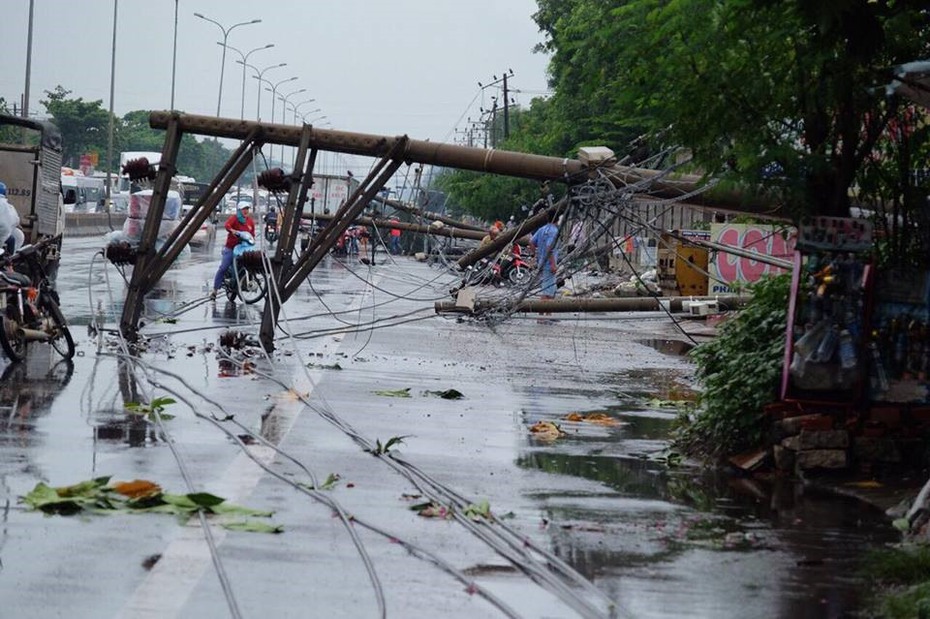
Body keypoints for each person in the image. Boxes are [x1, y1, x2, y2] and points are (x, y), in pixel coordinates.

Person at [210, 204, 255, 299]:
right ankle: (215, 290)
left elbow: (252, 234)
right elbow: (227, 225)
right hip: (231, 248)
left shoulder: (250, 221)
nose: (246, 211)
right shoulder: (234, 218)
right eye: (244, 209)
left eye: (247, 209)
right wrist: (232, 230)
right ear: (239, 210)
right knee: (223, 268)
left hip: (243, 249)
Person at [530, 209, 559, 318]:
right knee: (547, 291)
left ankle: (548, 315)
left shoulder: (542, 229)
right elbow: (549, 247)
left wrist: (535, 255)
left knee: (551, 289)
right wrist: (553, 264)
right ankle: (542, 317)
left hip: (541, 262)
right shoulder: (554, 231)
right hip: (548, 264)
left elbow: (531, 242)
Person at [0, 181, 22, 255]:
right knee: (14, 238)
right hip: (2, 237)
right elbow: (16, 220)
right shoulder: (9, 207)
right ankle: (10, 261)